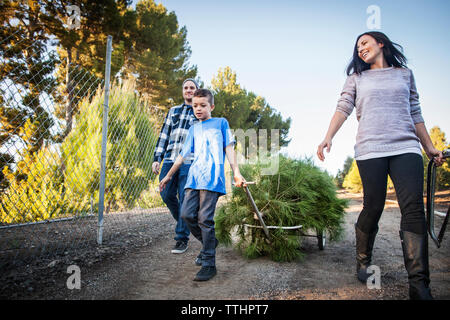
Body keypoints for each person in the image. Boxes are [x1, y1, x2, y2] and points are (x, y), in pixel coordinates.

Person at [317, 31, 445, 300]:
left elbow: (415, 112)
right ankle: (363, 259)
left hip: (406, 146)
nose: (360, 48)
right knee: (373, 205)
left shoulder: (404, 74)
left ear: (381, 43)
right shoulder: (356, 78)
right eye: (357, 47)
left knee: (413, 209)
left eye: (365, 42)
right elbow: (343, 107)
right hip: (370, 148)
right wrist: (328, 137)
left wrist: (429, 146)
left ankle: (419, 285)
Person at [159, 88, 246, 281]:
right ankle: (210, 242)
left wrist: (236, 173)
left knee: (204, 219)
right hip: (194, 178)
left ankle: (209, 264)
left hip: (212, 178)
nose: (198, 109)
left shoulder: (221, 123)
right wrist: (168, 176)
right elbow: (182, 155)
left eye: (202, 105)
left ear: (211, 106)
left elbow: (229, 148)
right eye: (195, 106)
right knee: (186, 215)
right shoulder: (193, 129)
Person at [152, 78, 199, 254]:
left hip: (190, 161)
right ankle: (185, 220)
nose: (188, 90)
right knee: (166, 194)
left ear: (196, 91)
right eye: (186, 87)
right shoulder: (173, 111)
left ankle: (181, 238)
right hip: (170, 159)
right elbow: (164, 135)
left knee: (185, 197)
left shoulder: (199, 111)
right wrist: (157, 158)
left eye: (192, 87)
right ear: (182, 91)